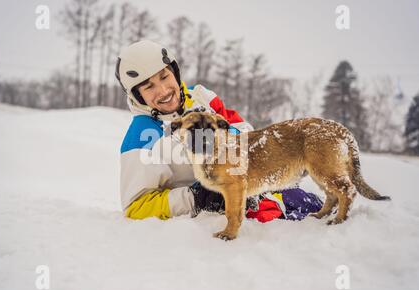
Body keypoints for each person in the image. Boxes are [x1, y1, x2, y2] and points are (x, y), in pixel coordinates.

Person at [116, 40, 322, 222]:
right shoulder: (142, 137)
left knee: (317, 209)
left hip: (255, 188)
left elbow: (244, 133)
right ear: (138, 96)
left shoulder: (202, 98)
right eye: (148, 87)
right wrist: (194, 197)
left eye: (164, 77)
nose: (163, 91)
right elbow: (136, 207)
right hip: (218, 213)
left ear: (175, 72)